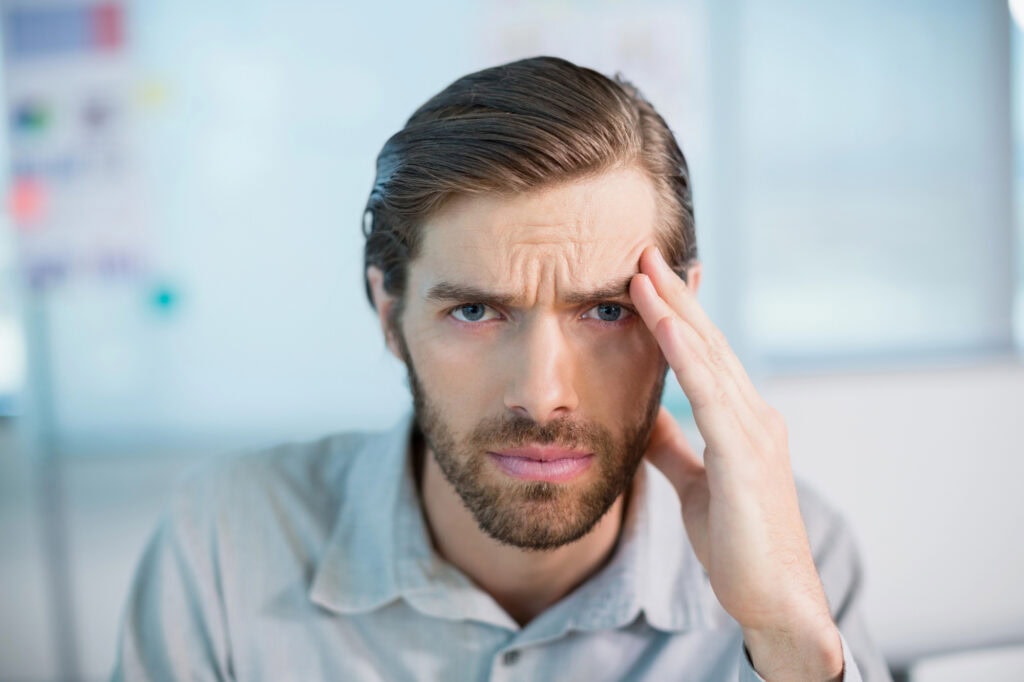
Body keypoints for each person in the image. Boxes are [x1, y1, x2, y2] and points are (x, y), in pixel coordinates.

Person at [112, 56, 891, 681]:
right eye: (476, 312)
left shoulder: (801, 555)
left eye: (608, 311)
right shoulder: (221, 540)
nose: (542, 396)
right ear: (389, 314)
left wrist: (792, 651)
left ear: (681, 319)